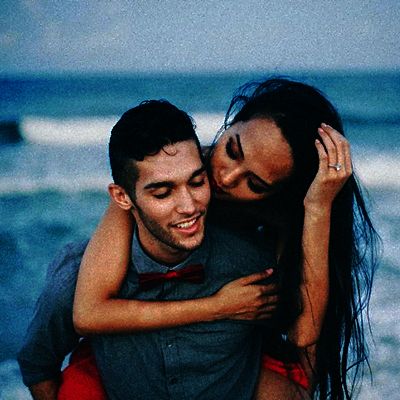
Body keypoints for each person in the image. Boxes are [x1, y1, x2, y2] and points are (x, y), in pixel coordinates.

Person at [70, 78, 379, 399]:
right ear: (232, 122)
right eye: (232, 150)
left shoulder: (282, 216)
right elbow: (88, 313)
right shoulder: (163, 176)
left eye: (255, 184)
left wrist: (318, 207)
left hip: (233, 352)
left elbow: (303, 334)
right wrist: (218, 307)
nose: (226, 177)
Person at [18, 99, 288, 400]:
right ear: (122, 198)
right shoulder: (76, 282)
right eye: (162, 193)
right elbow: (38, 366)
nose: (188, 206)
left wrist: (318, 205)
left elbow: (303, 345)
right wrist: (217, 307)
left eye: (197, 182)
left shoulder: (252, 265)